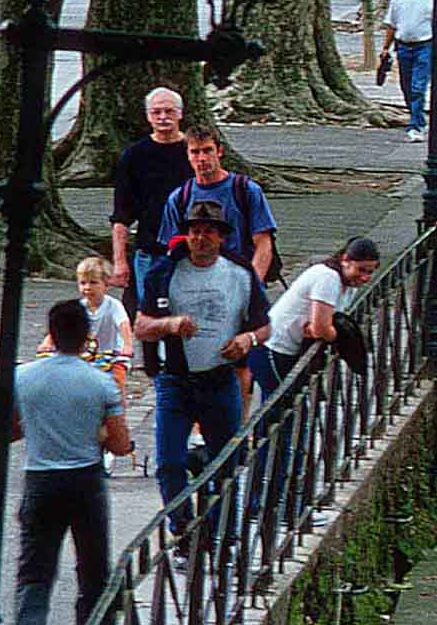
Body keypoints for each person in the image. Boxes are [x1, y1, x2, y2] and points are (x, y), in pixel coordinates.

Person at [8, 300, 131, 625]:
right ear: (87, 338)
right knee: (92, 569)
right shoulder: (101, 383)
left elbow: (8, 430)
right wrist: (94, 434)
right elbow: (120, 442)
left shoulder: (23, 377)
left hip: (41, 478)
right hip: (85, 480)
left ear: (51, 332)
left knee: (34, 569)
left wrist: (41, 427)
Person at [136, 200, 271, 535]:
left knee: (225, 463)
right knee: (169, 464)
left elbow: (266, 326)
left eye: (208, 232)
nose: (201, 238)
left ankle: (220, 534)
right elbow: (140, 326)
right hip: (175, 381)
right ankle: (183, 530)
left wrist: (248, 340)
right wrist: (170, 325)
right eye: (195, 231)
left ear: (221, 237)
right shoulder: (164, 272)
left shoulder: (240, 273)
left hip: (220, 378)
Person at [251, 238, 380, 400]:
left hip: (291, 349)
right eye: (361, 270)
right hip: (273, 348)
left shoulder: (349, 283)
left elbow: (318, 327)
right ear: (345, 260)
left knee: (290, 408)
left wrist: (324, 330)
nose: (365, 277)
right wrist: (341, 336)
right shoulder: (328, 277)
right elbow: (320, 328)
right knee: (279, 409)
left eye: (370, 272)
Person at [156, 126, 278, 283]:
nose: (202, 158)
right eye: (195, 152)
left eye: (207, 151)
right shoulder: (179, 198)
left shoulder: (246, 190)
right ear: (187, 155)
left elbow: (263, 244)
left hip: (238, 276)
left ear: (219, 151)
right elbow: (171, 248)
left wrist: (252, 287)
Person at [109, 87, 190, 315]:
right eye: (156, 112)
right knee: (151, 320)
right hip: (150, 250)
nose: (163, 117)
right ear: (147, 116)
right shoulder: (134, 156)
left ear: (180, 114)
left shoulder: (194, 152)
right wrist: (120, 261)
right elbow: (121, 214)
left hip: (192, 251)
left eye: (169, 111)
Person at [37, 257, 134, 396]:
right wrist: (48, 341)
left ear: (106, 285)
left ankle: (117, 408)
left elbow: (123, 325)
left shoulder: (113, 306)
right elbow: (62, 326)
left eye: (93, 283)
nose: (87, 288)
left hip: (111, 353)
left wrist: (128, 345)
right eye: (83, 283)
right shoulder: (80, 307)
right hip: (84, 353)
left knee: (117, 380)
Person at [379, 0, 437, 143]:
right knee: (406, 86)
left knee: (418, 87)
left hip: (425, 46)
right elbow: (392, 24)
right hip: (403, 46)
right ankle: (417, 116)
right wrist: (385, 48)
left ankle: (415, 125)